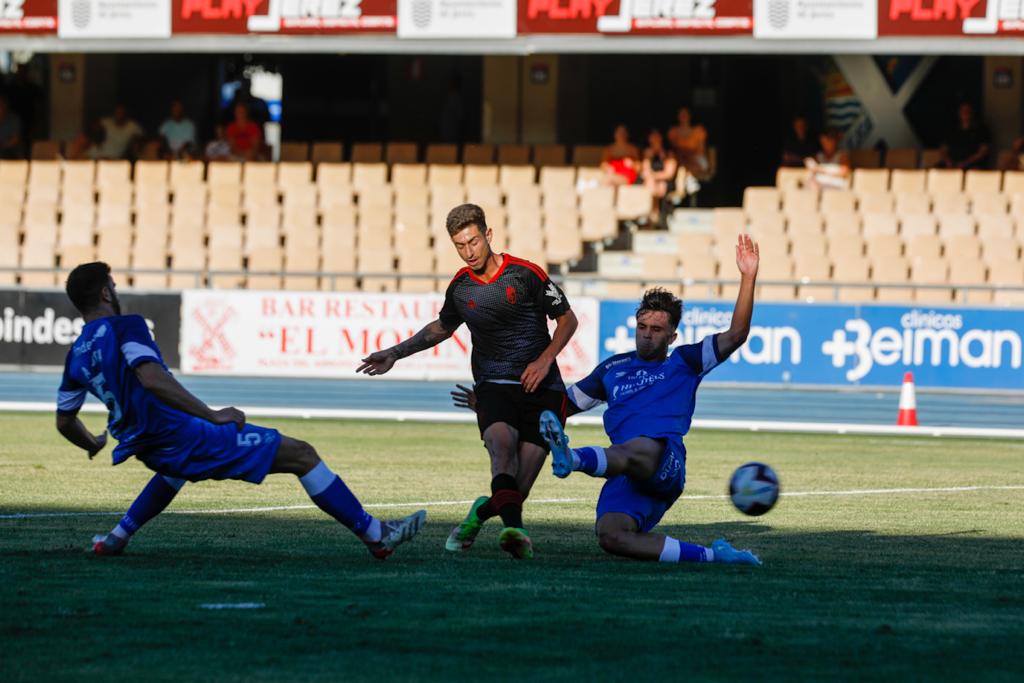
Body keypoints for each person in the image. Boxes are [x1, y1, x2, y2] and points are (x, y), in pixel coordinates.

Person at [56, 262, 425, 559]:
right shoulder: (126, 327)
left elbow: (65, 419)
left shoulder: (76, 354)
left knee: (173, 469)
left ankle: (118, 537)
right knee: (303, 455)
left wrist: (90, 442)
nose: (116, 292)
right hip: (182, 436)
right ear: (106, 292)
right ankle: (377, 535)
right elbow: (151, 378)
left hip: (149, 446)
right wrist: (212, 414)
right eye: (114, 287)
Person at [454, 235, 762, 566]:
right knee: (612, 536)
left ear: (672, 336)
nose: (646, 334)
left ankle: (569, 458)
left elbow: (737, 334)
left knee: (640, 447)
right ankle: (716, 557)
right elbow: (559, 406)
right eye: (642, 326)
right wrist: (492, 407)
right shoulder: (612, 370)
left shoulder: (685, 361)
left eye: (656, 329)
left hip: (663, 462)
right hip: (623, 471)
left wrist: (747, 276)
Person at [356, 203, 578, 560]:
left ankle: (479, 513)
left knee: (516, 490)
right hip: (493, 385)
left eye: (473, 242)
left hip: (543, 386)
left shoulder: (526, 274)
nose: (468, 251)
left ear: (488, 235)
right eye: (460, 245)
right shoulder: (460, 288)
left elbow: (567, 320)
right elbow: (442, 328)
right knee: (501, 451)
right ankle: (515, 532)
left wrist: (544, 359)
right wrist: (395, 353)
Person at [641, 129, 678, 225]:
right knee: (651, 184)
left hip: (666, 182)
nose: (655, 139)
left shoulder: (669, 153)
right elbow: (645, 171)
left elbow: (669, 174)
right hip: (653, 183)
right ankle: (654, 214)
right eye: (652, 137)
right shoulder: (647, 153)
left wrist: (654, 176)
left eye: (657, 137)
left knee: (659, 185)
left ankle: (654, 213)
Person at [941, 102, 991, 170]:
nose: (965, 113)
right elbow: (944, 149)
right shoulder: (952, 130)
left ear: (972, 112)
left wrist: (966, 163)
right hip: (952, 164)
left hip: (973, 165)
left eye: (967, 111)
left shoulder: (981, 130)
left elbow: (984, 151)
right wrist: (948, 161)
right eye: (963, 111)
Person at [667, 106, 709, 177]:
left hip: (695, 158)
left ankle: (690, 178)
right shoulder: (673, 131)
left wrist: (688, 154)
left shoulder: (698, 130)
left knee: (694, 164)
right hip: (680, 158)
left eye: (685, 114)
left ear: (690, 115)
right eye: (681, 114)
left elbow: (700, 150)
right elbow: (673, 149)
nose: (683, 116)